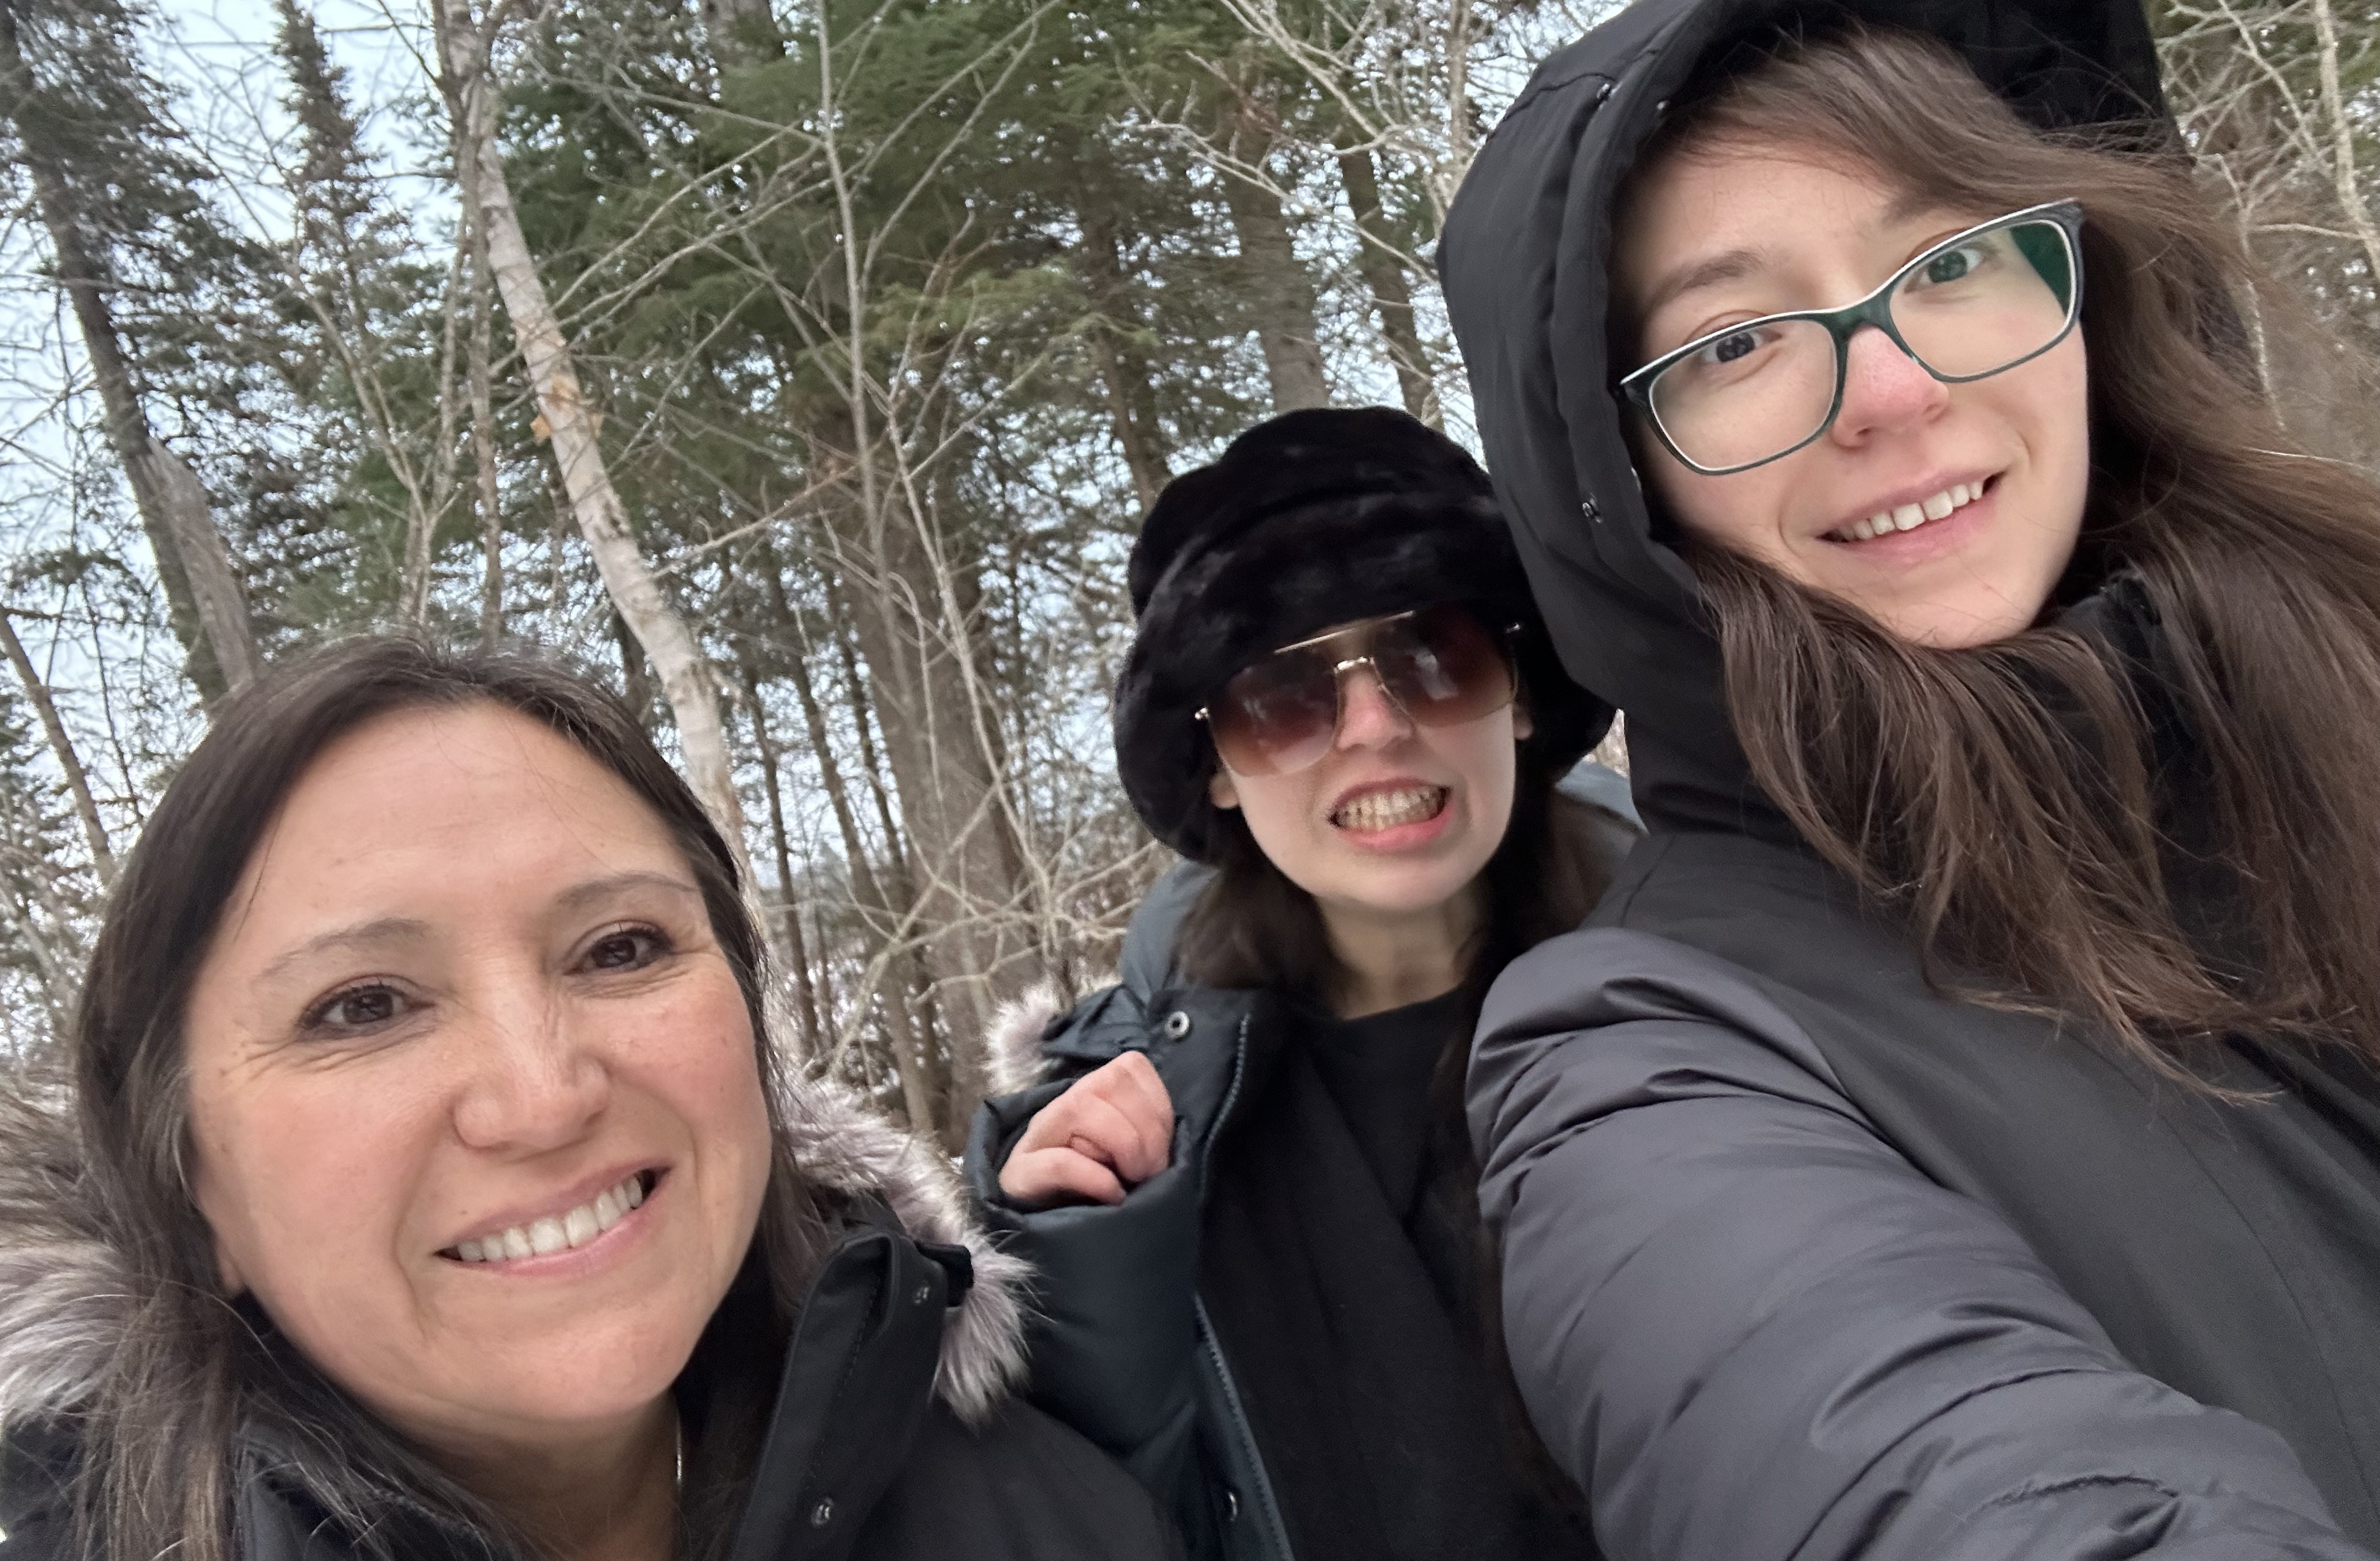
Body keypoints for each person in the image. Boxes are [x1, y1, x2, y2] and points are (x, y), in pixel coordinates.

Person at [1435, 0, 2380, 1556]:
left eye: (1949, 259)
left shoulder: (2339, 689)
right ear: (1620, 481)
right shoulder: (1641, 1062)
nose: (1893, 388)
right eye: (1734, 342)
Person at [0, 638, 1179, 1561]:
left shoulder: (1055, 1519)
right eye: (362, 1006)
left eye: (620, 947)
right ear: (191, 1185)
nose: (545, 1096)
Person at [962, 407, 1634, 1561]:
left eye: (1436, 652)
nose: (1374, 726)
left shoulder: (1732, 1011)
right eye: (1284, 695)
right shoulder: (1146, 1149)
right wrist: (1075, 1279)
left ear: (1520, 691)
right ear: (1217, 767)